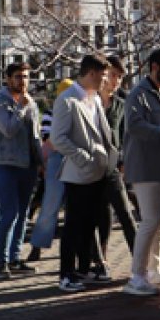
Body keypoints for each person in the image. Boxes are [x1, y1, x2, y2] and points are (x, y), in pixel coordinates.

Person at [51, 54, 117, 293]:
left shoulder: (95, 99)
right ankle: (66, 274)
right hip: (78, 175)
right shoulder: (67, 100)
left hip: (99, 172)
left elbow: (103, 133)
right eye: (101, 76)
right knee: (73, 226)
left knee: (90, 224)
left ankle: (84, 268)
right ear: (90, 74)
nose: (105, 81)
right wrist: (84, 158)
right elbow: (58, 138)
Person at [122, 48, 160, 296]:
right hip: (145, 167)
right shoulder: (138, 94)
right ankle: (137, 275)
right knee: (150, 221)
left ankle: (154, 270)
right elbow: (134, 126)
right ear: (154, 67)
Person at [0, 62, 42, 280]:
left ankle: (15, 258)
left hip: (27, 165)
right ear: (8, 79)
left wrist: (41, 164)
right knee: (8, 213)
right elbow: (8, 129)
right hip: (5, 163)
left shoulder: (31, 102)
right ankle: (1, 263)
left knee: (22, 215)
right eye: (18, 77)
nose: (23, 81)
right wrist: (21, 107)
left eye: (27, 77)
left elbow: (35, 136)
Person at [91, 54, 137, 282]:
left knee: (125, 214)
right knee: (96, 217)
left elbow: (124, 136)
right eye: (113, 75)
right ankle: (99, 261)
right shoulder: (89, 101)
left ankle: (140, 262)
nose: (117, 80)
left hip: (112, 167)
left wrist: (123, 162)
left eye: (120, 76)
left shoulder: (120, 104)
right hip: (90, 167)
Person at [27, 78, 75, 263]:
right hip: (57, 158)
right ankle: (37, 246)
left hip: (74, 159)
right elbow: (49, 139)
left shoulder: (80, 110)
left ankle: (75, 249)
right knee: (50, 205)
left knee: (75, 208)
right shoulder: (50, 113)